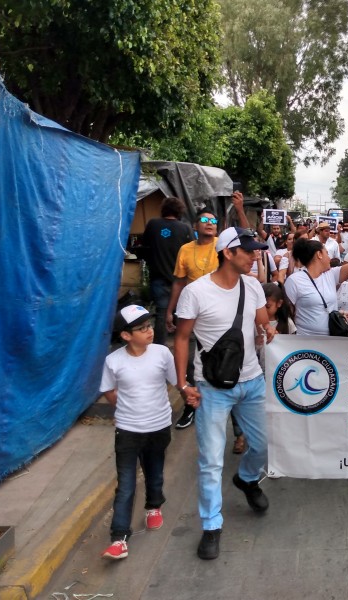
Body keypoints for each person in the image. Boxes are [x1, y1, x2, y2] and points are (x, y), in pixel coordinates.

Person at [174, 227, 277, 561]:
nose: (255, 255)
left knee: (263, 446)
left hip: (253, 382)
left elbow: (261, 321)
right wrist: (183, 383)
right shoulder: (196, 292)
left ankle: (246, 479)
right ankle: (211, 525)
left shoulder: (252, 286)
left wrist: (269, 328)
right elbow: (181, 338)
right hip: (212, 387)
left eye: (256, 250)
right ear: (229, 253)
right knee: (211, 461)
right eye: (248, 251)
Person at [167, 192, 250, 429]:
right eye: (205, 220)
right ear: (195, 226)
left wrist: (240, 210)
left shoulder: (224, 247)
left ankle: (237, 425)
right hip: (193, 311)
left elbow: (246, 238)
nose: (210, 224)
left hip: (222, 313)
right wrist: (170, 310)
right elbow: (178, 282)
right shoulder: (185, 250)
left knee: (231, 359)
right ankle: (191, 405)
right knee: (195, 362)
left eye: (214, 221)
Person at [99, 305, 177, 560]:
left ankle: (154, 506)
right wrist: (130, 409)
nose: (149, 331)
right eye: (141, 329)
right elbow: (110, 392)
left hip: (159, 426)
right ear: (125, 335)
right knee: (126, 484)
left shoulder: (163, 354)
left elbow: (174, 381)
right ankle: (119, 537)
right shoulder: (113, 361)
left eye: (149, 326)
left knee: (154, 471)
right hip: (128, 430)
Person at [284, 222, 348, 336]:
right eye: (326, 253)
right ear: (319, 255)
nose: (330, 257)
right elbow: (286, 313)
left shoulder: (331, 275)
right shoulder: (294, 280)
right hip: (305, 342)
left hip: (331, 340)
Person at [140, 197, 193, 345]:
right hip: (181, 280)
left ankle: (159, 347)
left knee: (162, 314)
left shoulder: (152, 224)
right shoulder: (185, 228)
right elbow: (191, 252)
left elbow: (144, 247)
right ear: (179, 211)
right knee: (183, 312)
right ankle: (181, 345)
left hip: (158, 278)